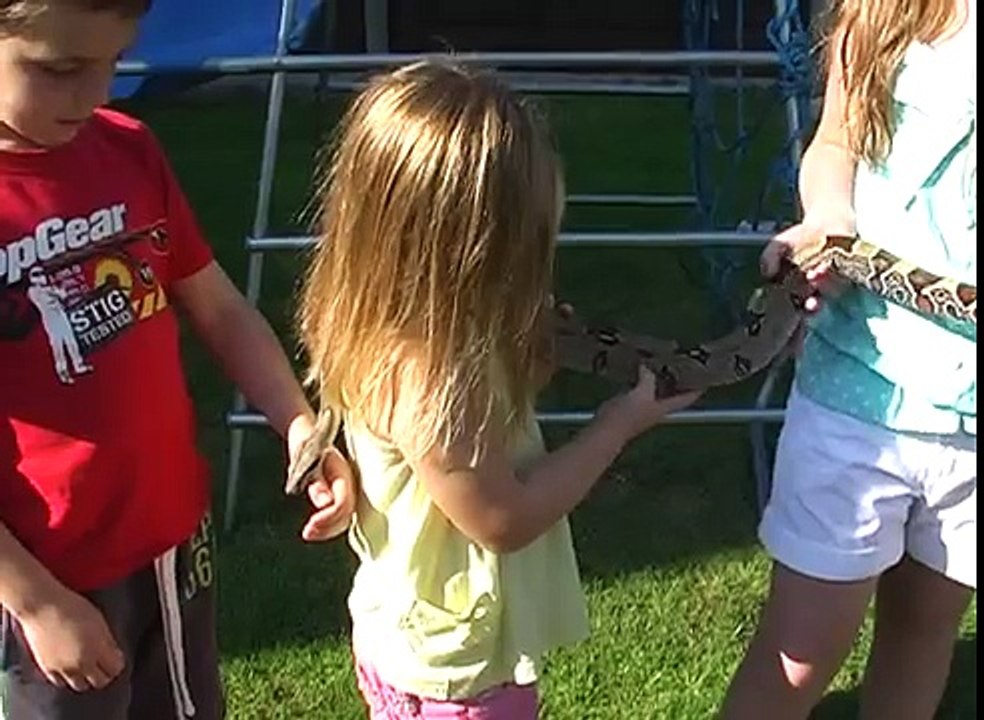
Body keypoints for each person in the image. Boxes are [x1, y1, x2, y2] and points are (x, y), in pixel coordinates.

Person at [296, 59, 700, 719]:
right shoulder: (434, 379)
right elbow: (503, 519)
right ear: (470, 250)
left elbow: (475, 442)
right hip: (459, 677)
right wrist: (617, 426)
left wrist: (524, 366)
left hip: (402, 632)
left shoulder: (378, 322)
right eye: (524, 246)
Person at [0, 1, 355, 718]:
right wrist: (34, 602)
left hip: (173, 543)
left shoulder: (129, 148)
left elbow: (220, 309)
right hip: (46, 577)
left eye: (114, 62)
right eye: (61, 69)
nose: (95, 93)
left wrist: (299, 426)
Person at [720, 0, 976, 717]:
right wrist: (829, 215)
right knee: (799, 654)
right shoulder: (889, 10)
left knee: (925, 628)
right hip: (863, 387)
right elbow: (836, 141)